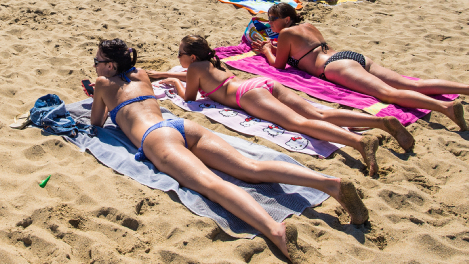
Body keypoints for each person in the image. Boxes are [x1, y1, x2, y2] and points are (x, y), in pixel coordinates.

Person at [90, 38, 370, 264]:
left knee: (213, 185)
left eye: (97, 61)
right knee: (250, 167)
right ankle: (329, 183)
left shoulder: (103, 84)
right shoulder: (139, 74)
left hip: (156, 138)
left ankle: (276, 231)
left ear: (110, 66)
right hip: (182, 126)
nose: (95, 65)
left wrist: (96, 93)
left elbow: (97, 123)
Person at [147, 36, 416, 176]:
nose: (178, 60)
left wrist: (173, 83)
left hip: (247, 95)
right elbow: (195, 79)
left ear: (191, 57)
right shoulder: (207, 64)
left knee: (298, 123)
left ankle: (358, 143)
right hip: (260, 83)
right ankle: (381, 122)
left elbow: (190, 98)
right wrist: (165, 75)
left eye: (179, 55)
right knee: (316, 112)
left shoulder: (194, 68)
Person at [252, 3, 469, 132]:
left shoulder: (284, 34)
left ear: (285, 19)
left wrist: (265, 50)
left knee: (387, 94)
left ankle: (445, 107)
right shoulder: (307, 27)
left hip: (334, 66)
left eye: (272, 19)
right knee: (409, 83)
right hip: (350, 56)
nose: (270, 23)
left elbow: (280, 66)